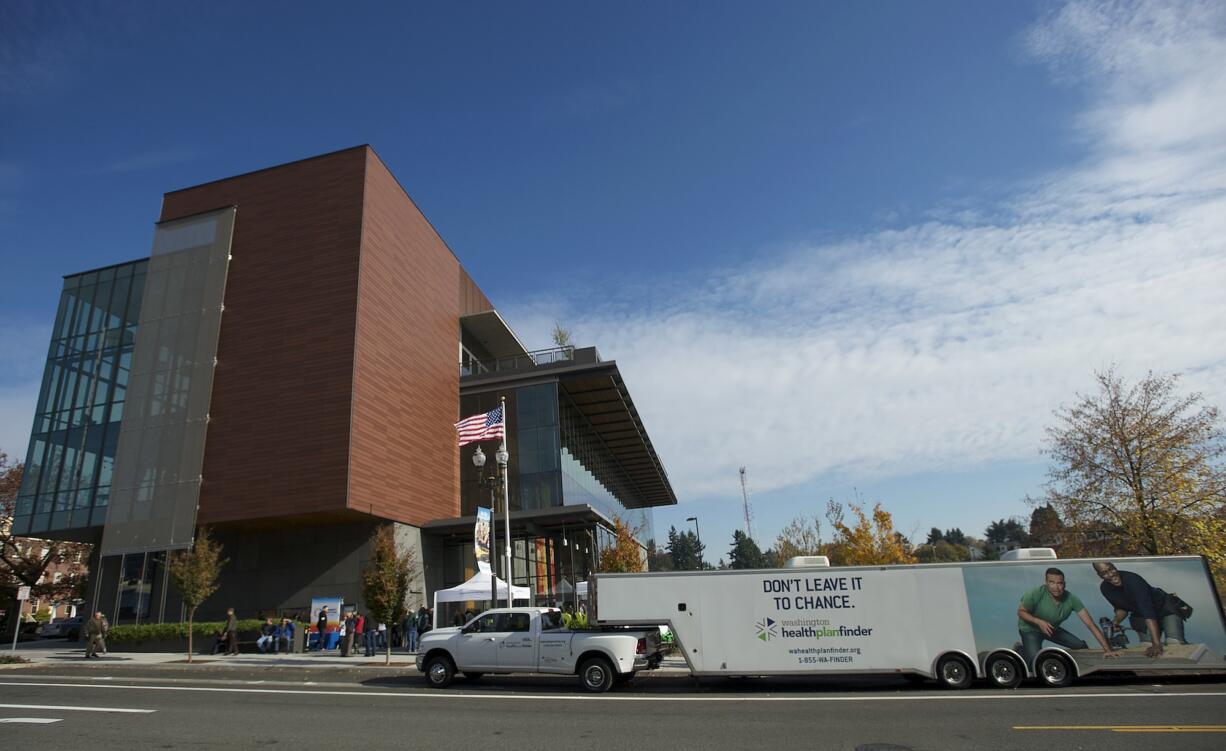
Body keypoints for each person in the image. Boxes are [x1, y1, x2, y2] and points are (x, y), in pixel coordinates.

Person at [1017, 567, 1120, 668]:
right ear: (1046, 582)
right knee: (1033, 664)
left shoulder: (1072, 599)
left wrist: (1108, 650)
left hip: (1051, 628)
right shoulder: (1035, 593)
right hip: (1030, 629)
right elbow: (1021, 612)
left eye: (1059, 583)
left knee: (1081, 647)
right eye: (1052, 582)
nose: (1056, 587)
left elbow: (1090, 624)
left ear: (1064, 584)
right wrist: (1039, 622)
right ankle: (1021, 650)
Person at [1093, 561, 1188, 658]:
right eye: (1104, 573)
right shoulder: (1105, 588)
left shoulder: (1133, 580)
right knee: (1145, 646)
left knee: (1173, 643)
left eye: (1111, 569)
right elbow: (1121, 608)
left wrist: (1156, 644)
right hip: (1140, 614)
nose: (1111, 574)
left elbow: (1148, 612)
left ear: (1115, 566)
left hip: (1165, 609)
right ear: (1099, 575)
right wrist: (1116, 621)